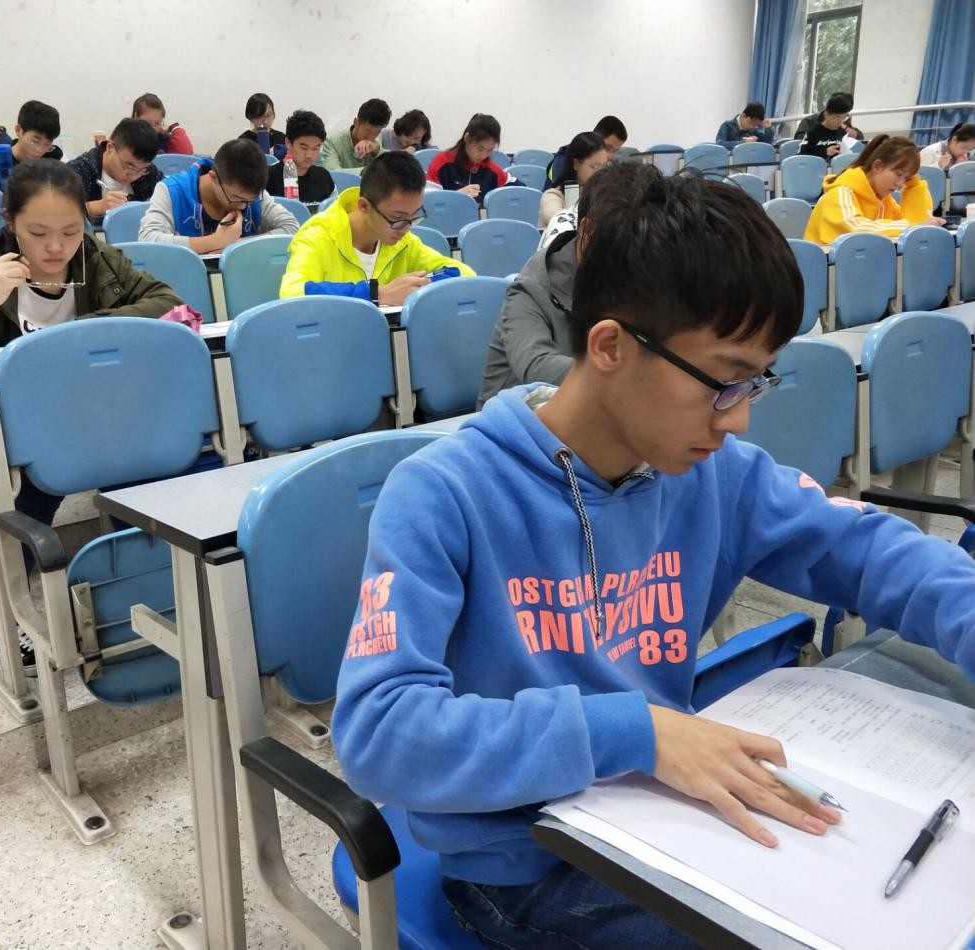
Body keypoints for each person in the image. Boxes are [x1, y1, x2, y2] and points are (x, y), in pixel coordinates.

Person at [332, 162, 975, 950]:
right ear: (610, 346)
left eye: (754, 385)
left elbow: (869, 552)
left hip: (668, 815)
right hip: (524, 865)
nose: (736, 421)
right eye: (723, 383)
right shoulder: (443, 493)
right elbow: (380, 733)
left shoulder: (711, 474)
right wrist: (636, 732)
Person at [0, 161, 183, 671]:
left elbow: (166, 301)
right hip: (3, 420)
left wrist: (83, 330)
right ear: (10, 221)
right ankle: (0, 614)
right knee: (43, 473)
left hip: (93, 409)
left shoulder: (98, 260)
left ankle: (139, 591)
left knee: (155, 459)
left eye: (70, 231)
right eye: (38, 233)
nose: (55, 248)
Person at [477, 159, 628, 409]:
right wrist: (634, 375)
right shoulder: (532, 287)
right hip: (517, 418)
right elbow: (537, 366)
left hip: (593, 409)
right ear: (587, 233)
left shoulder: (628, 274)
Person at [279, 150, 472, 304]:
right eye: (397, 218)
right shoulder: (317, 237)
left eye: (414, 216)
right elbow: (292, 292)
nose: (406, 228)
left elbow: (463, 273)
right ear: (364, 206)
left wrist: (420, 285)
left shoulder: (403, 242)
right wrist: (378, 293)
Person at [138, 138, 298, 252]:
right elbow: (148, 240)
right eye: (236, 199)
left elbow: (292, 227)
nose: (244, 206)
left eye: (249, 201)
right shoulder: (172, 190)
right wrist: (216, 241)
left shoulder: (252, 195)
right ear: (214, 177)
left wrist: (236, 244)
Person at [804, 134, 944, 243]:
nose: (901, 184)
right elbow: (856, 228)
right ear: (877, 166)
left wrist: (914, 185)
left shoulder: (884, 200)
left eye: (906, 178)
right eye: (898, 174)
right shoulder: (841, 193)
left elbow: (915, 222)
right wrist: (912, 227)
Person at [67, 117, 162, 218]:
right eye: (129, 167)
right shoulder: (79, 171)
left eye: (141, 171)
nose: (133, 176)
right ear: (110, 147)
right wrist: (98, 207)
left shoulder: (146, 170)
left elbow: (166, 193)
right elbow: (60, 212)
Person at [0, 100, 64, 186]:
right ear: (18, 130)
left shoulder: (52, 156)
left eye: (47, 144)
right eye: (35, 141)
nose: (40, 150)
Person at [427, 114, 516, 203]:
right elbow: (429, 201)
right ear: (467, 138)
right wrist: (457, 195)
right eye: (480, 149)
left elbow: (516, 187)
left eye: (489, 150)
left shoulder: (490, 168)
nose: (483, 156)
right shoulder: (441, 162)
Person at [538, 131, 607, 228]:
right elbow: (560, 222)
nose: (600, 173)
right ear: (575, 164)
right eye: (595, 167)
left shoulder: (602, 194)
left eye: (604, 167)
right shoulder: (552, 196)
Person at [265, 110, 335, 204]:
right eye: (304, 148)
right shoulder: (267, 177)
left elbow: (335, 209)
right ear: (288, 143)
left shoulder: (324, 177)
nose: (309, 155)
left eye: (315, 148)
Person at [545, 115, 627, 187]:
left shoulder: (606, 165)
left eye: (615, 151)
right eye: (607, 148)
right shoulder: (562, 161)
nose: (610, 156)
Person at [320, 98, 391, 170]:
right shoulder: (332, 142)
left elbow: (389, 170)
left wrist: (376, 150)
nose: (370, 138)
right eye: (368, 131)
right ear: (356, 122)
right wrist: (366, 172)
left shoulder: (375, 144)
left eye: (376, 133)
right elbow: (333, 173)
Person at [799, 93, 854, 158]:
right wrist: (824, 152)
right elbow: (801, 156)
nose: (840, 122)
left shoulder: (843, 133)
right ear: (826, 114)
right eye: (836, 117)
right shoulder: (812, 133)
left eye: (844, 117)